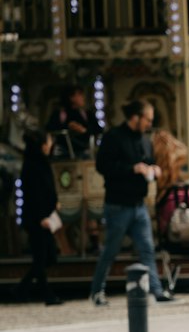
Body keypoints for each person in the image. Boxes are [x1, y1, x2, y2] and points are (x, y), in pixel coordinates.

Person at [89, 98, 172, 305]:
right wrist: (131, 169)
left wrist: (153, 169)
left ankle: (157, 291)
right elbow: (102, 166)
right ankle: (97, 291)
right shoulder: (113, 137)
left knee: (147, 249)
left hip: (138, 204)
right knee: (111, 250)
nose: (149, 124)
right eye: (147, 119)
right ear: (135, 117)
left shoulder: (144, 139)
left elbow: (149, 161)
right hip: (118, 204)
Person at [14, 128, 63, 305]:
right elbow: (35, 194)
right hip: (38, 218)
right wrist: (41, 216)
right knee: (42, 257)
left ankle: (23, 288)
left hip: (44, 215)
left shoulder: (40, 162)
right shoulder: (33, 165)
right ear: (43, 145)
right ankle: (44, 293)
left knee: (46, 256)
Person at [47, 86, 102, 159]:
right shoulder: (59, 114)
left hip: (84, 151)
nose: (83, 97)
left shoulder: (87, 114)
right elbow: (50, 128)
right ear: (71, 98)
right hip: (63, 152)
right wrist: (68, 127)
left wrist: (83, 130)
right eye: (79, 95)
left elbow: (98, 129)